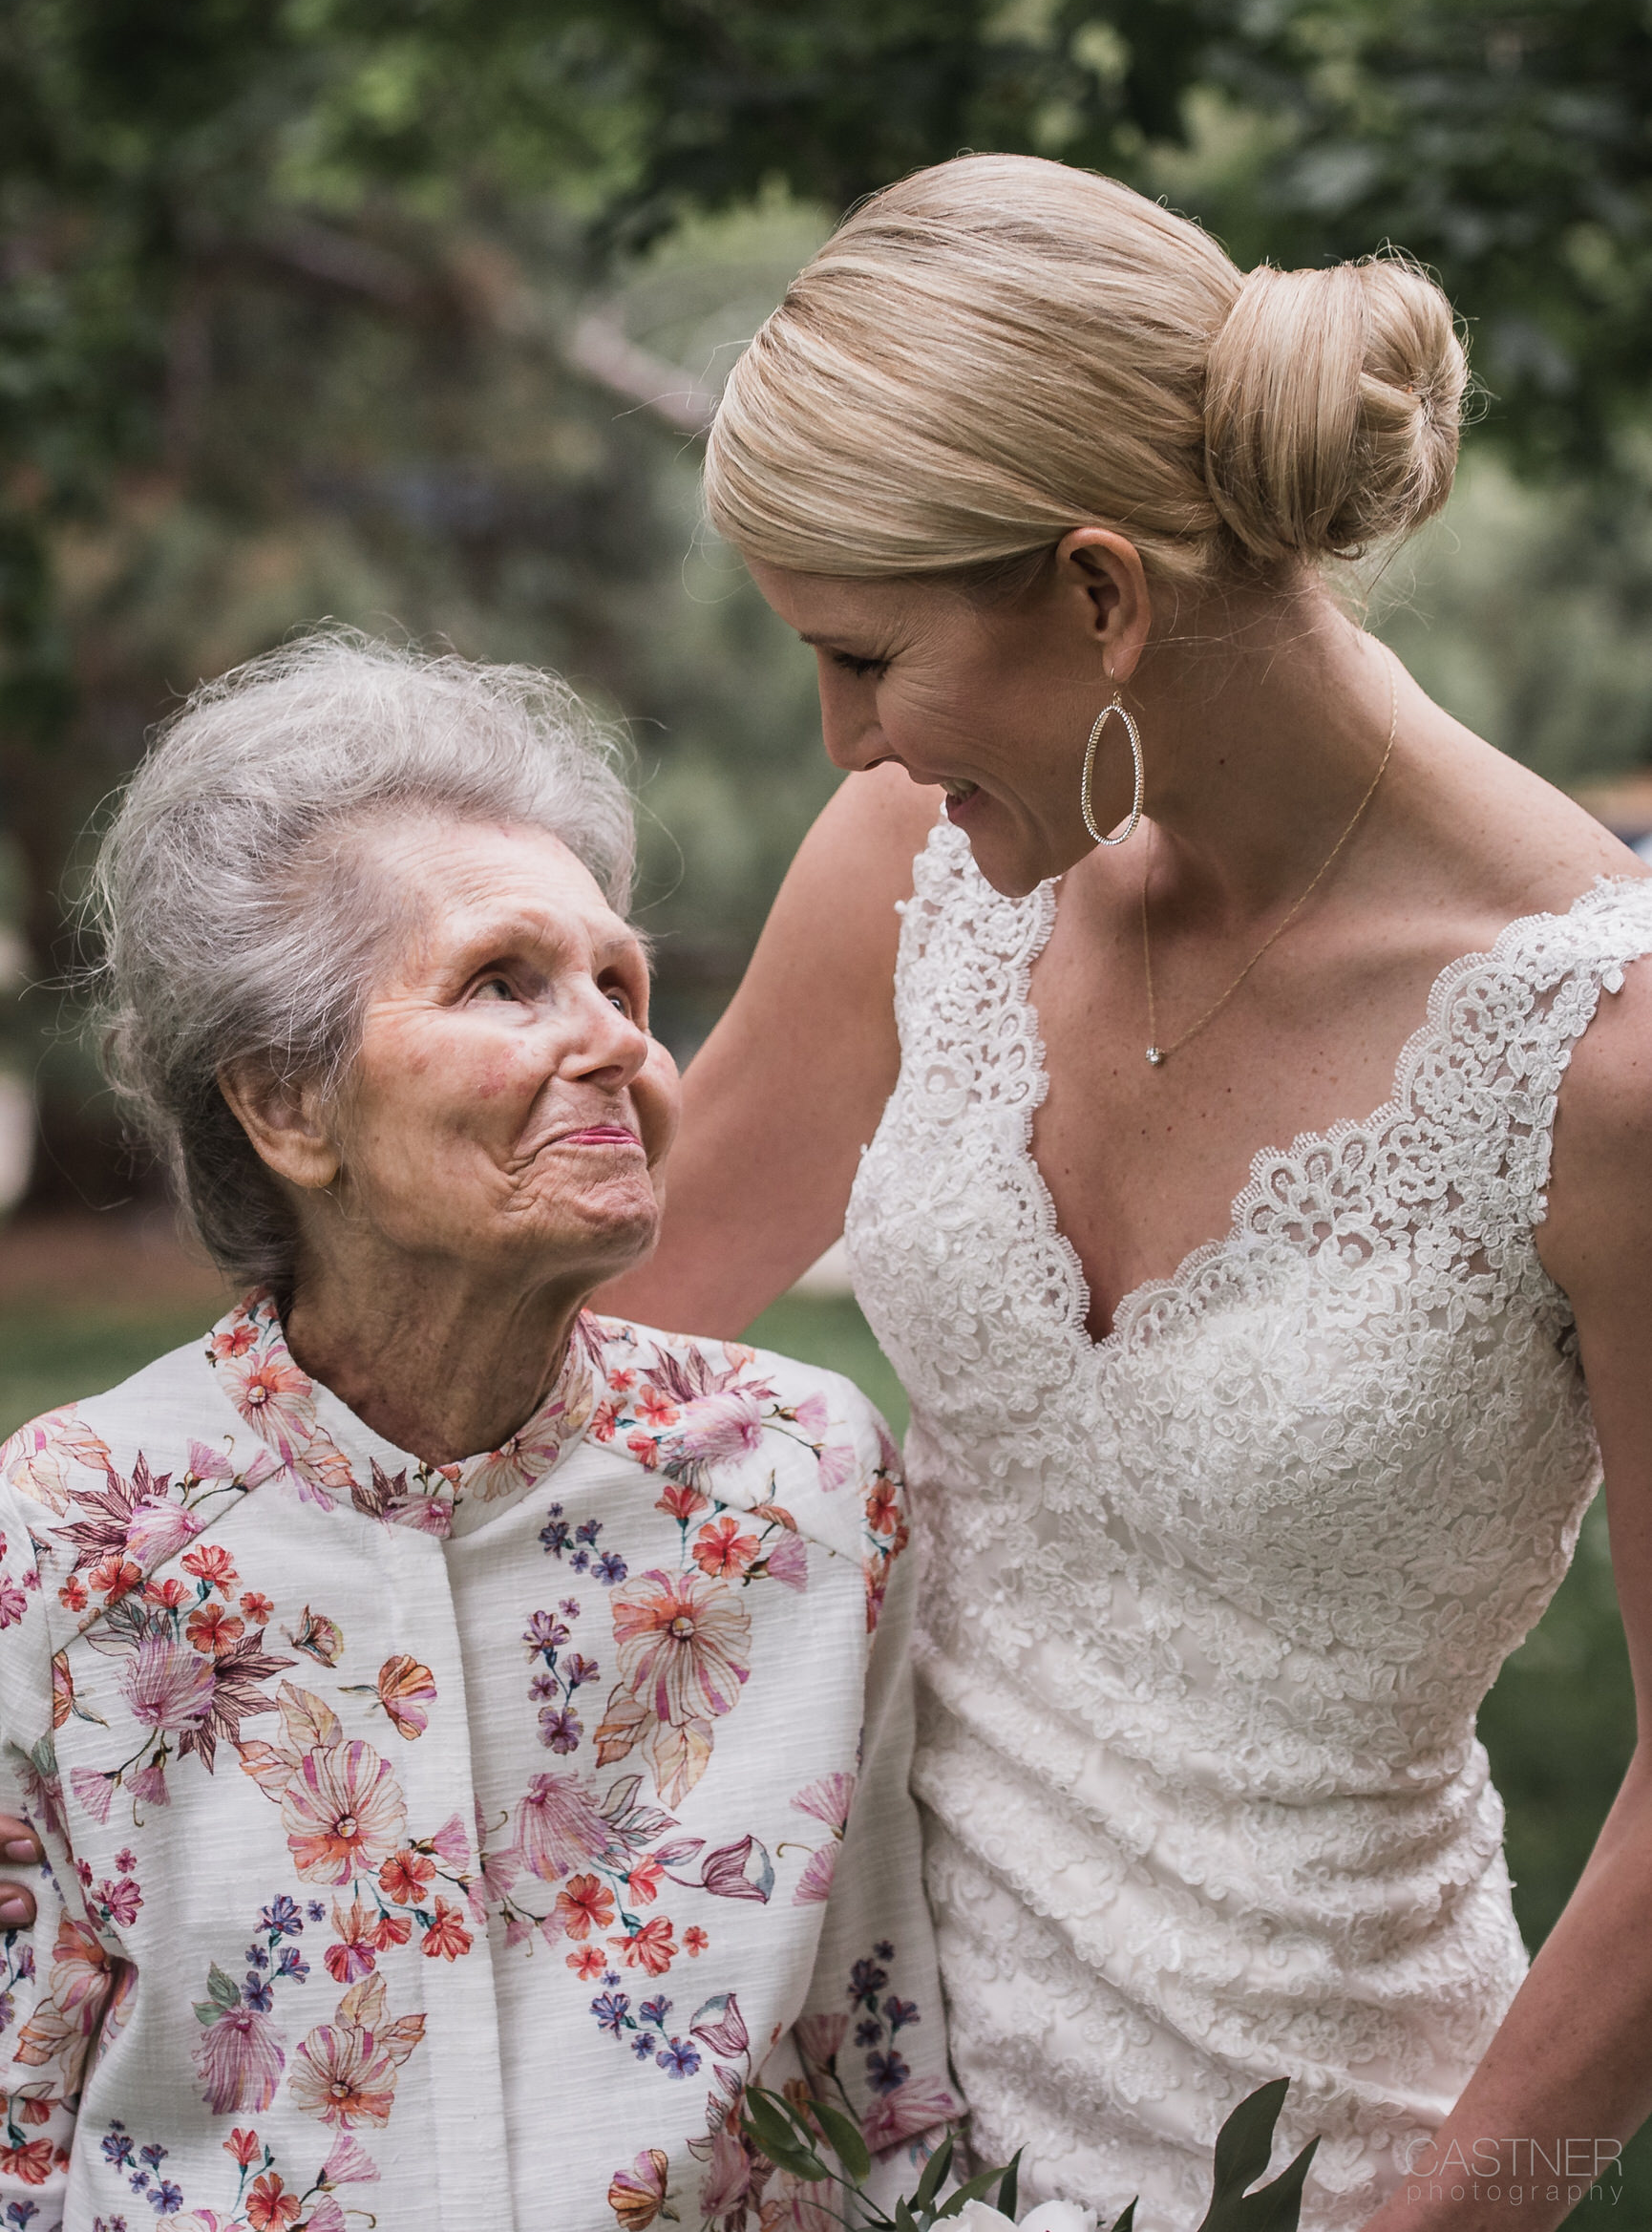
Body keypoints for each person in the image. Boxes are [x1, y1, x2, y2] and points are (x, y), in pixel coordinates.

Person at [582, 158, 1652, 2231]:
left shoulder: (1602, 1063)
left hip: (1310, 2147)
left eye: (866, 658)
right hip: (819, 2094)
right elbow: (603, 1340)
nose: (842, 736)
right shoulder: (909, 870)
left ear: (1099, 593)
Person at [0, 635, 957, 2232]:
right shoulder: (74, 1527)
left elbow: (885, 2059)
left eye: (621, 985)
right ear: (284, 1105)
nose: (617, 1048)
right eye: (506, 981)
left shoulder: (802, 1483)